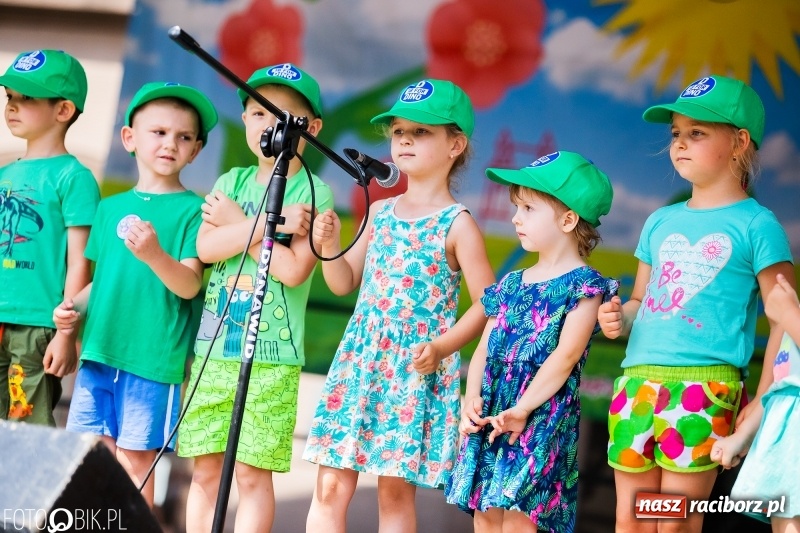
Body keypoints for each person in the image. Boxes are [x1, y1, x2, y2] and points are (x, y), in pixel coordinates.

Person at [597, 74, 795, 533]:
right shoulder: (659, 220)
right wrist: (619, 316)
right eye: (676, 133)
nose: (680, 143)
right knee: (630, 519)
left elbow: (785, 319)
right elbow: (641, 300)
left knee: (674, 522)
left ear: (739, 142)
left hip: (704, 390)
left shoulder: (758, 224)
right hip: (637, 384)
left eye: (697, 132)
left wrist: (763, 399)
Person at [303, 78, 496, 533]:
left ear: (456, 145)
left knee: (393, 495)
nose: (405, 139)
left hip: (412, 370)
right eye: (398, 131)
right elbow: (342, 282)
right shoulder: (379, 212)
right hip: (361, 361)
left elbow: (489, 304)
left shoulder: (458, 224)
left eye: (421, 131)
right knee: (329, 487)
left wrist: (443, 346)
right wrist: (327, 244)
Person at [178, 63, 334, 533]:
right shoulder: (230, 183)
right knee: (205, 470)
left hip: (271, 356)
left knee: (250, 474)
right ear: (245, 119)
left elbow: (292, 270)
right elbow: (206, 249)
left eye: (285, 116)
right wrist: (263, 224)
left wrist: (235, 225)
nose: (270, 125)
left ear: (311, 129)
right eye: (260, 113)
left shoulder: (315, 192)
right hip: (213, 351)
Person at [52, 81, 218, 506]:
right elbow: (103, 281)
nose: (170, 144)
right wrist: (72, 309)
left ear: (196, 150)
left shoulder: (194, 211)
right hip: (99, 353)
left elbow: (189, 284)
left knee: (135, 463)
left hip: (152, 362)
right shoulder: (109, 208)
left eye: (184, 137)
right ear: (129, 138)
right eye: (158, 132)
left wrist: (154, 254)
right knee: (89, 458)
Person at [444, 151, 618, 532]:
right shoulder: (511, 282)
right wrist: (471, 398)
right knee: (485, 514)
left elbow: (566, 356)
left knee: (519, 519)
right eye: (516, 207)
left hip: (539, 414)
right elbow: (485, 349)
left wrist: (522, 408)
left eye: (528, 208)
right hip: (494, 409)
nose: (515, 217)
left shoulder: (585, 286)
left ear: (568, 219)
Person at [0, 49, 100, 426]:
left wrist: (65, 333)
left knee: (26, 428)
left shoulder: (74, 178)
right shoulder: (5, 173)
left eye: (26, 98)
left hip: (38, 325)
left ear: (63, 110)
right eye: (9, 96)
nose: (12, 106)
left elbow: (80, 263)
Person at [711, 272, 799, 531]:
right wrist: (744, 436)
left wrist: (788, 314)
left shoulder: (791, 313)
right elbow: (781, 387)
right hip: (782, 454)